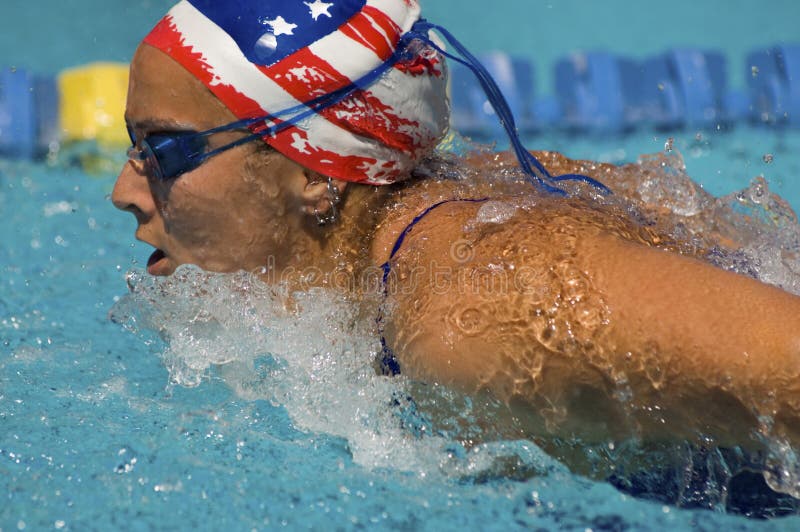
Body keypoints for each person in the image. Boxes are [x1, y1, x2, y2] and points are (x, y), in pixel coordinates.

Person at [112, 0, 800, 465]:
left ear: (315, 173)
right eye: (132, 144)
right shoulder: (437, 212)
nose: (124, 191)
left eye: (165, 150)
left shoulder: (474, 309)